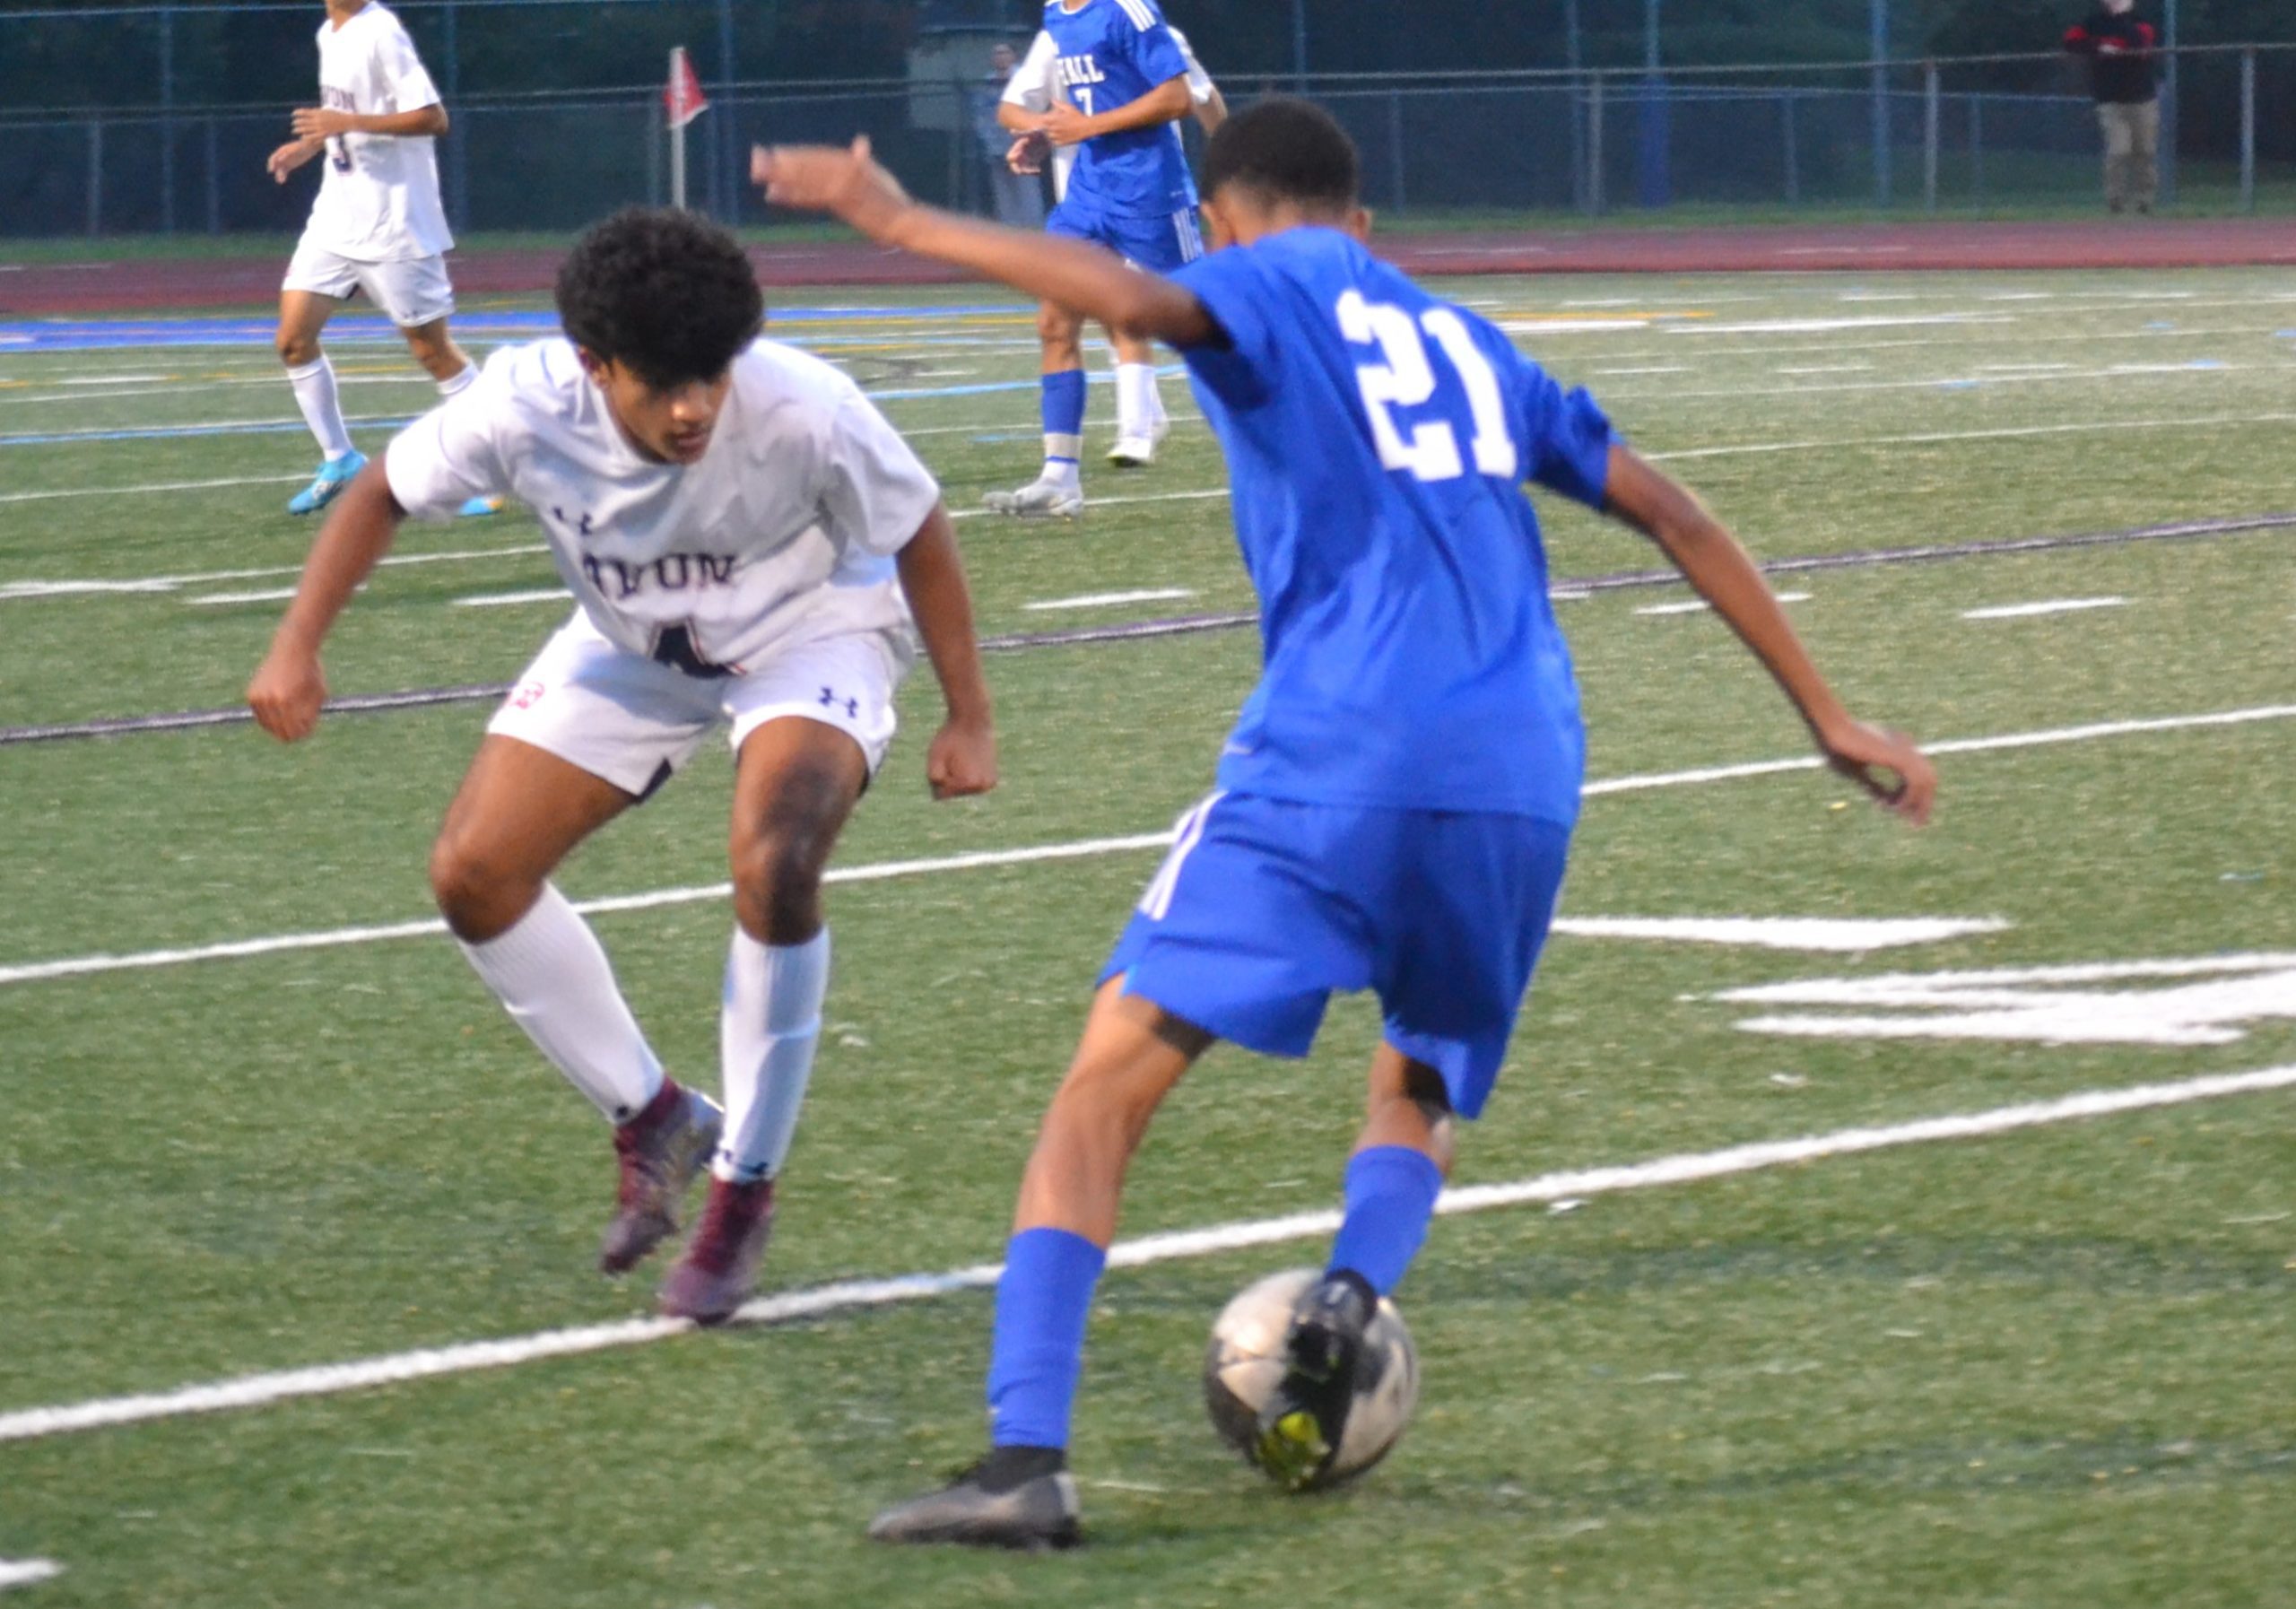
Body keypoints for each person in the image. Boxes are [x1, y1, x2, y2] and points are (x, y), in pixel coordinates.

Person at [756, 99, 1936, 1550]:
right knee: (1420, 1080)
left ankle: (1023, 1458)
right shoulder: (1463, 338)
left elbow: (1127, 294)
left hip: (1337, 748)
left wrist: (897, 220)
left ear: (1233, 218)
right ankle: (1352, 1288)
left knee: (1105, 1082)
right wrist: (1829, 715)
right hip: (1523, 771)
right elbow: (1675, 514)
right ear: (1366, 223)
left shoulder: (1264, 275)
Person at [246, 208, 998, 1324]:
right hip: (632, 644)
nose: (695, 406)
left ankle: (743, 1188)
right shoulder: (518, 402)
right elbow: (382, 492)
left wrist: (967, 715)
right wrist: (296, 643)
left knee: (777, 859)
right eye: (662, 382)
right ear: (594, 365)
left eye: (712, 375)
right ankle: (653, 1117)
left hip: (810, 632)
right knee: (473, 873)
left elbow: (920, 524)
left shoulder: (806, 406)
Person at [267, 0, 499, 519]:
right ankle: (339, 458)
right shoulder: (330, 32)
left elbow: (433, 118)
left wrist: (346, 120)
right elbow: (341, 121)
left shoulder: (381, 31)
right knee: (293, 340)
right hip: (337, 218)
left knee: (433, 353)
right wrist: (312, 144)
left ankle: (494, 464)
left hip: (394, 223)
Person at [986, 0, 1201, 517]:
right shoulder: (1058, 15)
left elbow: (1177, 97)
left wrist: (1090, 127)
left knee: (1213, 326)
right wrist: (1044, 135)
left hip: (1149, 192)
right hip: (1087, 193)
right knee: (1054, 321)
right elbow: (1085, 105)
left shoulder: (1128, 8)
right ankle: (1060, 477)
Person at [2063, 0, 2161, 215]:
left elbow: (2140, 48)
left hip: (2141, 100)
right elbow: (2070, 41)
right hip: (2110, 100)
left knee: (2144, 151)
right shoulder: (2093, 22)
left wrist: (2122, 18)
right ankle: (2115, 203)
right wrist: (2098, 47)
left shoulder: (2141, 22)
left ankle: (2144, 202)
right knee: (2118, 151)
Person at [977, 42, 1047, 230]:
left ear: (1013, 56)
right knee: (1002, 189)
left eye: (1004, 52)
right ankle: (1010, 230)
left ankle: (1033, 230)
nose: (1000, 57)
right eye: (996, 53)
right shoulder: (987, 82)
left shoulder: (1023, 79)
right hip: (995, 144)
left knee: (1027, 187)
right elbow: (981, 115)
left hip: (1022, 143)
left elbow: (1034, 109)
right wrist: (989, 139)